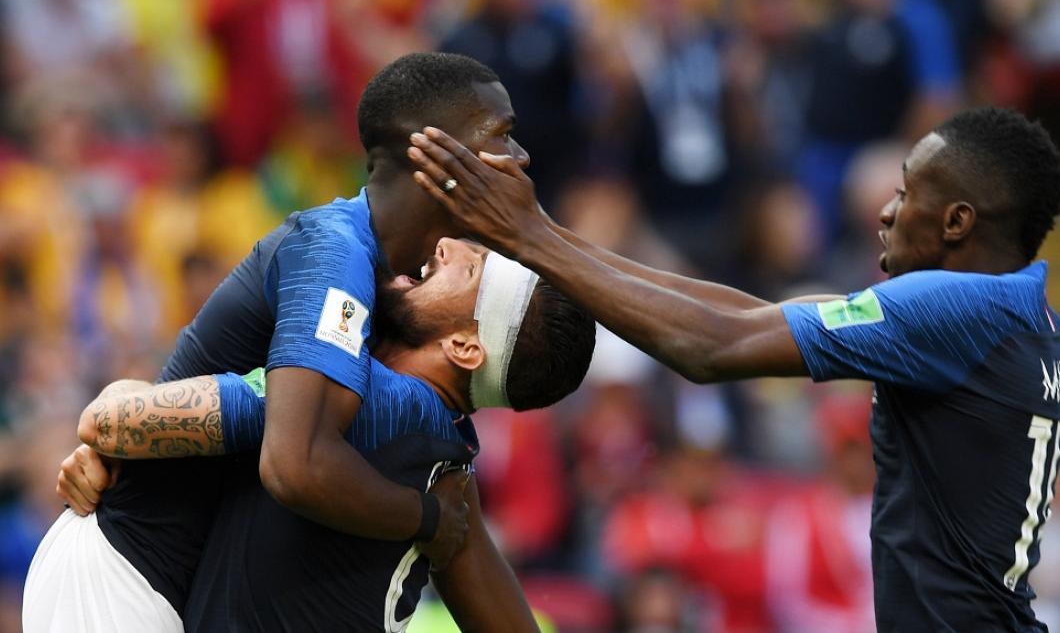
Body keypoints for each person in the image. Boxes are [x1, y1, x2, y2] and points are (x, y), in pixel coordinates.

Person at [407, 107, 1060, 631]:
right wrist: (548, 235)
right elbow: (745, 314)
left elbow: (712, 347)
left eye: (907, 193)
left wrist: (529, 237)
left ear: (957, 222)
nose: (886, 212)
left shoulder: (953, 309)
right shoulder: (1023, 320)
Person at [31, 52, 532, 630]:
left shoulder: (395, 296)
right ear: (431, 149)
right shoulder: (335, 255)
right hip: (121, 580)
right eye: (502, 133)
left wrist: (123, 408)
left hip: (159, 585)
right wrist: (427, 518)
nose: (520, 156)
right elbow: (296, 464)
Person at [28, 238, 595, 631]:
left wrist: (117, 429)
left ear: (465, 348)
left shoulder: (357, 396)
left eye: (471, 270)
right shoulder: (445, 455)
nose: (445, 246)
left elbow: (110, 421)